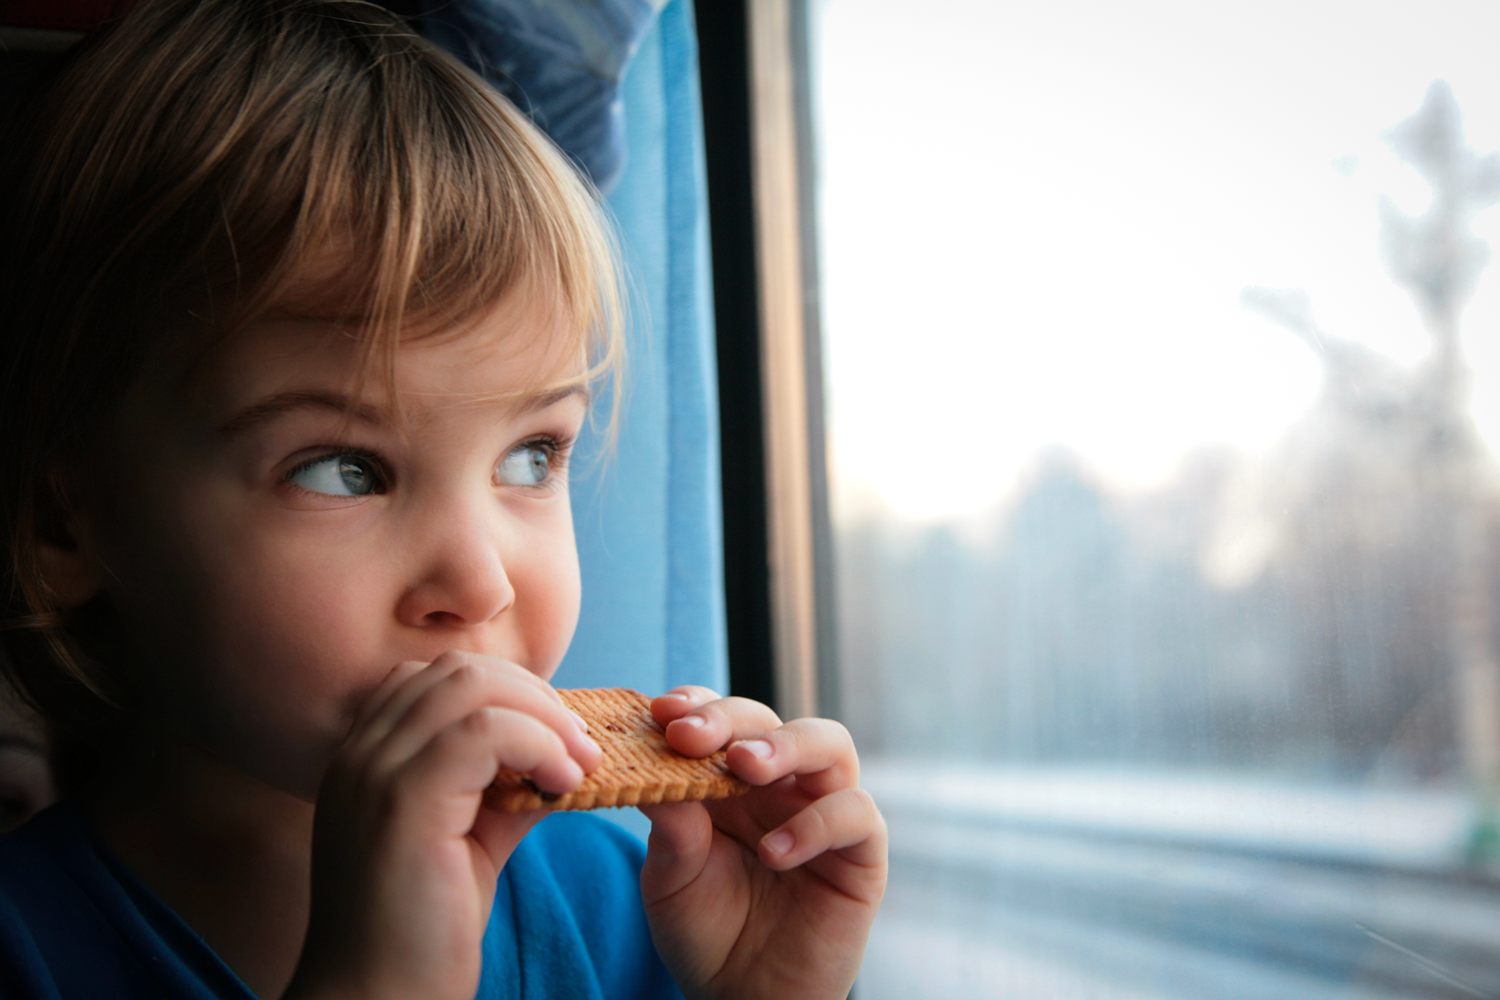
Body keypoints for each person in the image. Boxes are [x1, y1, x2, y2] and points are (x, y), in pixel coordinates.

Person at [0, 2, 887, 998]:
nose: (479, 579)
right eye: (344, 469)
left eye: (531, 456)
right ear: (61, 525)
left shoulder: (632, 902)